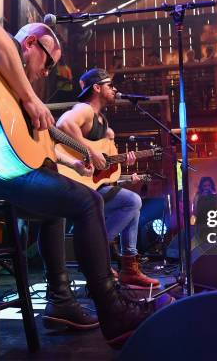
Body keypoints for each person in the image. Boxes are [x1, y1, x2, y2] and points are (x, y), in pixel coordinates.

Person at [0, 22, 171, 346]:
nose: (46, 73)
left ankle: (60, 299)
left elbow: (22, 143)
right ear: (30, 43)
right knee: (88, 201)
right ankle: (112, 310)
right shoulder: (5, 57)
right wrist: (30, 98)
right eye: (47, 63)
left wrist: (69, 160)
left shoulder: (3, 83)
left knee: (58, 200)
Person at [56, 68, 160, 289]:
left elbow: (104, 169)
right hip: (74, 182)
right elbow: (64, 124)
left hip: (92, 185)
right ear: (96, 87)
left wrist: (124, 162)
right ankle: (98, 253)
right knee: (132, 202)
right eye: (110, 85)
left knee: (132, 204)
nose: (114, 90)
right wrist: (91, 152)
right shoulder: (84, 109)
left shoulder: (104, 125)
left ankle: (128, 266)